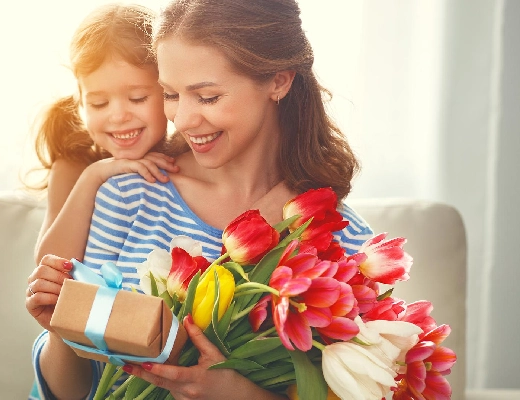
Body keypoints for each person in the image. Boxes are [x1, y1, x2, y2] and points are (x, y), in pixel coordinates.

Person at [26, 0, 375, 398]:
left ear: (278, 81)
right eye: (170, 95)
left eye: (206, 97)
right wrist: (60, 328)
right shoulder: (128, 192)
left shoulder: (339, 240)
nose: (183, 119)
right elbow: (66, 392)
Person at [28, 3, 178, 268]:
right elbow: (48, 267)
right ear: (81, 101)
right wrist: (94, 176)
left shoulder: (182, 160)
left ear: (168, 90)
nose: (118, 115)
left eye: (137, 98)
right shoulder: (72, 166)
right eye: (99, 103)